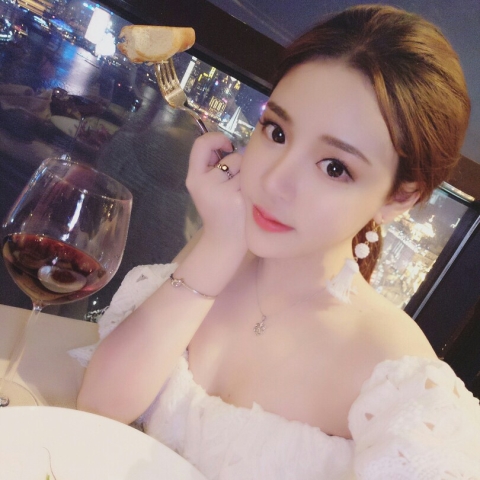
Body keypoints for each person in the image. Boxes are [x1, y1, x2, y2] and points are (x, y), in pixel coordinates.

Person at [74, 4, 480, 478]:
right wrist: (221, 244)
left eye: (335, 167)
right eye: (277, 131)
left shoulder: (396, 377)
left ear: (399, 197)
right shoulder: (221, 247)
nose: (273, 181)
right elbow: (99, 408)